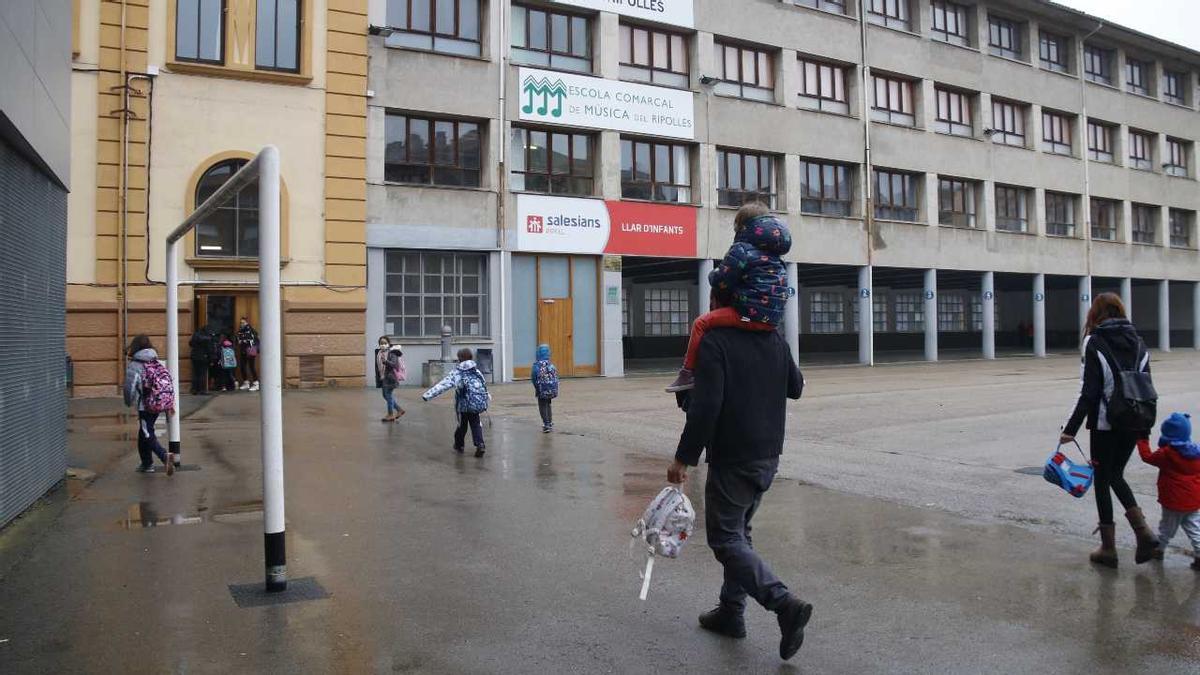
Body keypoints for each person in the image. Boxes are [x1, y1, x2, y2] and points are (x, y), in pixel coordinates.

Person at [667, 289, 810, 661]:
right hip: (767, 455)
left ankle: (783, 604)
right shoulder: (773, 336)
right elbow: (795, 387)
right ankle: (731, 613)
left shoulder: (716, 341)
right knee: (740, 534)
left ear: (719, 302)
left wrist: (683, 459)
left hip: (733, 456)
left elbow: (707, 407)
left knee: (726, 539)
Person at [1060, 292, 1158, 568]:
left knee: (1103, 480)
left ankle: (1109, 548)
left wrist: (1071, 429)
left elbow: (1089, 391)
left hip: (1105, 423)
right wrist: (1144, 430)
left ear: (1096, 314)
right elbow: (1146, 388)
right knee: (1116, 475)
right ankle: (1144, 533)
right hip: (1133, 420)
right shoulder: (1139, 342)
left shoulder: (1095, 341)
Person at [666, 202, 792, 393]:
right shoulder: (776, 257)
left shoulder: (741, 249)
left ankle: (687, 373)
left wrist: (713, 274)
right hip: (772, 321)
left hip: (748, 316)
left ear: (742, 226)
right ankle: (793, 372)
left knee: (701, 323)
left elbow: (721, 280)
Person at [1136, 413, 1200, 570]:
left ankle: (1158, 550)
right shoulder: (1196, 453)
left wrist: (1142, 439)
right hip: (1193, 501)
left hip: (1174, 501)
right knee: (1194, 529)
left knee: (1166, 529)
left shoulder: (1166, 454)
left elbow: (1147, 456)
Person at [422, 348, 489, 457]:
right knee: (476, 424)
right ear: (471, 358)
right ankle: (480, 445)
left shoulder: (457, 372)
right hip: (476, 403)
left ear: (460, 359)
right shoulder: (476, 371)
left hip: (463, 405)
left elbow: (443, 385)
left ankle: (459, 445)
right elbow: (484, 386)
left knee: (462, 425)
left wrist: (427, 395)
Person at [122, 335, 173, 475]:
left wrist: (128, 402)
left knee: (146, 433)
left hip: (145, 405)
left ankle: (164, 456)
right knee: (143, 433)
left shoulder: (135, 364)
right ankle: (147, 463)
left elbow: (129, 387)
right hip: (158, 403)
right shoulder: (155, 361)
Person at [376, 337, 407, 422]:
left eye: (385, 343)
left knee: (388, 395)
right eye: (381, 343)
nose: (383, 345)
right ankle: (399, 410)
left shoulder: (392, 353)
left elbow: (395, 365)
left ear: (389, 344)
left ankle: (390, 414)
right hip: (384, 377)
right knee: (385, 395)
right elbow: (379, 366)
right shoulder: (379, 353)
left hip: (391, 377)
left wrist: (386, 361)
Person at [532, 343, 559, 433]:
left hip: (541, 390)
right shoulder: (551, 365)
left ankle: (546, 424)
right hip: (551, 390)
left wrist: (537, 388)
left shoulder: (536, 366)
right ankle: (550, 422)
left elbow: (534, 378)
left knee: (542, 406)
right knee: (548, 404)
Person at [236, 317, 260, 391]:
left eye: (243, 323)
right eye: (241, 323)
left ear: (247, 323)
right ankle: (246, 382)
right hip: (243, 349)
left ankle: (256, 383)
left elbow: (253, 339)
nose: (241, 324)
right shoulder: (240, 331)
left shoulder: (251, 330)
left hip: (251, 349)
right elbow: (238, 339)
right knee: (242, 366)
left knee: (251, 366)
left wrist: (243, 340)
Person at [188, 326, 213, 395]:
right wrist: (211, 359)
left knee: (195, 373)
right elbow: (209, 349)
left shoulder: (196, 335)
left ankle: (195, 389)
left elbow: (190, 343)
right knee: (203, 374)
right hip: (203, 357)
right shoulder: (208, 338)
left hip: (195, 356)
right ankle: (202, 390)